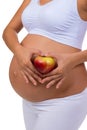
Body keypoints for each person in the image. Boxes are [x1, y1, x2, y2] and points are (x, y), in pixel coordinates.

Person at [2, 0, 87, 130]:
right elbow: (9, 30)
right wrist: (19, 51)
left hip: (62, 100)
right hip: (30, 102)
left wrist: (72, 60)